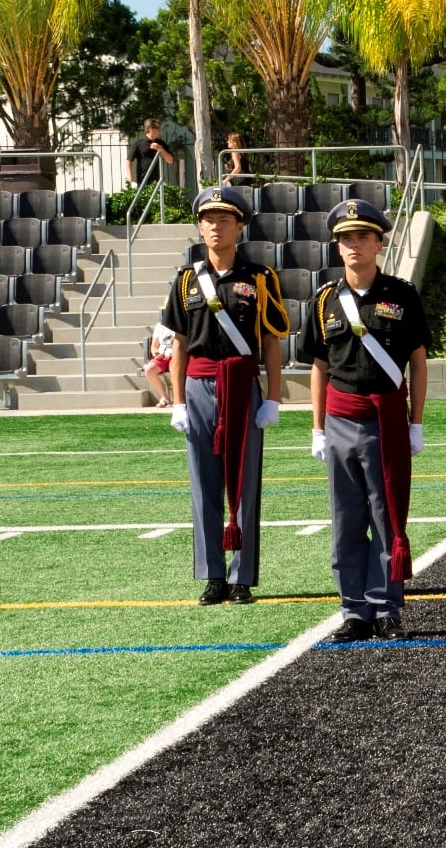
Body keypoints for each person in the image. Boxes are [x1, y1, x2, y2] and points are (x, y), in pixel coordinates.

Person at [300, 199, 432, 642]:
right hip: (340, 418)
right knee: (346, 517)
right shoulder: (324, 301)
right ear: (338, 247)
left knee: (387, 514)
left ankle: (386, 606)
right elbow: (319, 366)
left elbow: (418, 361)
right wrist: (317, 427)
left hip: (387, 419)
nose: (354, 245)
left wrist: (416, 422)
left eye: (362, 237)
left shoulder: (402, 295)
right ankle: (353, 609)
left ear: (379, 243)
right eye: (345, 239)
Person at [162, 187, 287, 606]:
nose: (216, 226)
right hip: (198, 385)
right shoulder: (184, 281)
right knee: (203, 483)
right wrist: (177, 400)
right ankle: (212, 574)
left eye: (225, 219)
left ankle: (242, 578)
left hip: (242, 384)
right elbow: (179, 343)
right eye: (209, 219)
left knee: (245, 483)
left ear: (239, 226)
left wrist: (273, 396)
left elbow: (271, 341)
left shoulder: (260, 278)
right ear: (200, 226)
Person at [127, 119, 177, 187]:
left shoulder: (161, 143)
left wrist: (161, 149)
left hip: (157, 183)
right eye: (158, 128)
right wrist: (130, 178)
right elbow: (129, 160)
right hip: (142, 181)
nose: (159, 130)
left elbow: (170, 161)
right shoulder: (138, 143)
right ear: (150, 129)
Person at [143, 322, 176, 407]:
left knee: (175, 371)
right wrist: (155, 353)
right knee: (149, 370)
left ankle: (177, 399)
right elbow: (154, 346)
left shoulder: (182, 322)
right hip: (162, 355)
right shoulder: (160, 326)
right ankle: (165, 398)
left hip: (176, 354)